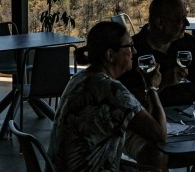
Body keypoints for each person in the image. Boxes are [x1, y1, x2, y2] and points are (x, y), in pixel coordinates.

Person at [47, 21, 167, 172]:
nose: (135, 51)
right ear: (110, 55)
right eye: (129, 46)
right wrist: (152, 87)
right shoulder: (111, 90)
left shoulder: (79, 78)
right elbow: (159, 135)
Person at [120, 0, 195, 108]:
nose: (187, 24)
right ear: (160, 23)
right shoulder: (131, 52)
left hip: (191, 117)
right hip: (153, 119)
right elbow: (127, 102)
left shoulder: (190, 44)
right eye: (180, 20)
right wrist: (163, 83)